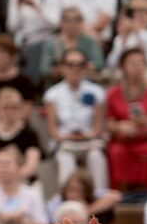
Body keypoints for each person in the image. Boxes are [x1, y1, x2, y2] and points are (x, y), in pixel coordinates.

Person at [105, 47, 147, 192]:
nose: (137, 67)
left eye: (140, 63)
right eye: (132, 63)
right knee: (116, 152)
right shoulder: (114, 93)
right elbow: (108, 123)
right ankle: (120, 195)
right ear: (123, 67)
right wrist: (119, 127)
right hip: (124, 142)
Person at [43, 49, 109, 187]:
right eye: (70, 64)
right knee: (65, 158)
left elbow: (98, 127)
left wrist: (86, 135)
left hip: (90, 140)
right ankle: (68, 199)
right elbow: (53, 130)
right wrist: (67, 137)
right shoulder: (52, 94)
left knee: (96, 156)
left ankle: (100, 195)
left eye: (80, 64)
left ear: (85, 67)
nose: (75, 69)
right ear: (62, 68)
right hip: (64, 142)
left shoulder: (97, 92)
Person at [0, 86, 42, 185]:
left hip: (23, 184)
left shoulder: (29, 135)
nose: (10, 112)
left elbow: (31, 165)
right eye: (5, 108)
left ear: (21, 109)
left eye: (14, 108)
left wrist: (9, 179)